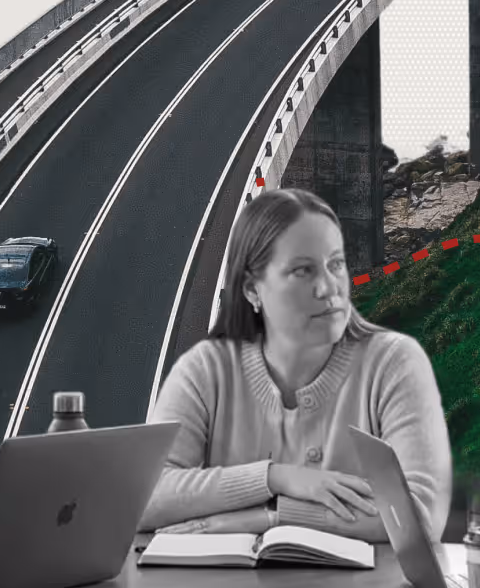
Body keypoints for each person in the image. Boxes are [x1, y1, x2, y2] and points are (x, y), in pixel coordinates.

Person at [140, 187, 452, 542]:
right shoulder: (204, 371)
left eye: (336, 264)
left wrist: (272, 517)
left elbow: (420, 517)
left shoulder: (394, 363)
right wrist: (275, 477)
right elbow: (143, 498)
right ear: (252, 290)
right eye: (303, 270)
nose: (329, 288)